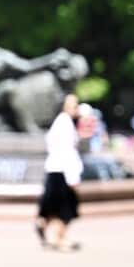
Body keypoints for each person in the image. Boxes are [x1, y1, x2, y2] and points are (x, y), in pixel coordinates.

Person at [37, 94, 82, 250]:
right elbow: (67, 152)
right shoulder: (65, 123)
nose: (77, 108)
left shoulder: (59, 122)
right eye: (74, 105)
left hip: (54, 169)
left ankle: (42, 225)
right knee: (66, 210)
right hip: (63, 172)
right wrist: (72, 177)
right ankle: (60, 239)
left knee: (52, 207)